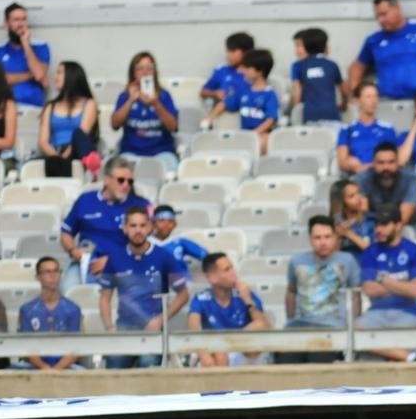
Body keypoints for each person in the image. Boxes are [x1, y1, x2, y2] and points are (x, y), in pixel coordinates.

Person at [98, 207, 189, 369]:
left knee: (148, 365)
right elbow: (105, 297)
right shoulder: (115, 257)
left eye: (142, 225)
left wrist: (160, 320)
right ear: (125, 229)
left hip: (153, 328)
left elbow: (183, 295)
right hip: (124, 328)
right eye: (133, 226)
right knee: (114, 365)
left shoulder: (163, 256)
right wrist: (110, 327)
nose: (138, 230)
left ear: (149, 228)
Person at [60, 156, 153, 288]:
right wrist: (73, 250)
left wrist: (113, 261)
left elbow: (150, 244)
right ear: (107, 179)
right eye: (121, 180)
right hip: (87, 262)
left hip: (127, 264)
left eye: (130, 181)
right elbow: (66, 232)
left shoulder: (140, 205)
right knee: (69, 289)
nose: (126, 185)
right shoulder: (85, 200)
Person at [358, 205, 416, 361]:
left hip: (407, 312)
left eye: (384, 224)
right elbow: (369, 289)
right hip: (376, 312)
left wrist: (383, 280)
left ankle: (403, 356)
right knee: (355, 332)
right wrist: (405, 285)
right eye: (377, 224)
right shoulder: (370, 252)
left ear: (399, 225)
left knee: (401, 336)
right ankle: (408, 357)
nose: (379, 229)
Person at [281, 215, 360, 364]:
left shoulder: (348, 260)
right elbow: (291, 291)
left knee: (318, 359)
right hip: (300, 326)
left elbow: (355, 295)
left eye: (327, 237)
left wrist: (352, 325)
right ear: (310, 239)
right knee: (285, 360)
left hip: (332, 329)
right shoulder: (296, 261)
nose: (323, 242)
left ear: (335, 238)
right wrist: (291, 319)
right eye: (317, 238)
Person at [188, 252, 267, 367]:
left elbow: (264, 326)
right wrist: (203, 354)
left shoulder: (245, 294)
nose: (233, 273)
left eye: (232, 268)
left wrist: (248, 301)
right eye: (227, 270)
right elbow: (194, 328)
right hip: (216, 354)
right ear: (212, 277)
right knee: (219, 355)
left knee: (258, 326)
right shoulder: (201, 299)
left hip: (244, 351)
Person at [112, 51, 179, 172]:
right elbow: (115, 124)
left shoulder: (164, 96)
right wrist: (130, 101)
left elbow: (173, 127)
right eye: (140, 69)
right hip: (131, 153)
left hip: (162, 153)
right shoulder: (125, 96)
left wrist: (156, 104)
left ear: (154, 73)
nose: (145, 72)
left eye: (149, 68)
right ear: (133, 73)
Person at [17, 256, 83, 371]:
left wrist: (56, 369)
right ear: (38, 277)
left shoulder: (72, 309)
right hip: (35, 366)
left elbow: (75, 348)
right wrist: (44, 367)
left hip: (66, 367)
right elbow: (26, 347)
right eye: (47, 272)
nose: (53, 275)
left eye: (56, 271)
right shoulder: (27, 310)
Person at [208, 49, 277, 155]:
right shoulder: (243, 91)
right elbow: (225, 103)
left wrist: (254, 134)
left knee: (264, 142)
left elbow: (270, 120)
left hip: (261, 134)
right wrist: (210, 118)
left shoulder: (269, 94)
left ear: (259, 71)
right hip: (243, 134)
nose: (241, 71)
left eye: (246, 68)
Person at [37, 61, 99, 175]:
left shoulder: (89, 104)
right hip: (54, 152)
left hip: (77, 151)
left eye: (59, 73)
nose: (55, 77)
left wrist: (65, 157)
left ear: (72, 76)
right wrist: (57, 158)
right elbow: (43, 142)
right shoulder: (50, 106)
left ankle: (91, 162)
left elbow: (83, 134)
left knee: (77, 134)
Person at [0, 2, 48, 107]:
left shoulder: (41, 46)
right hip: (4, 107)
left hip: (34, 108)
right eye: (16, 20)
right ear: (6, 24)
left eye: (24, 19)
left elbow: (39, 75)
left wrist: (26, 43)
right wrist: (30, 74)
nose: (21, 24)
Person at [356, 141, 416, 232]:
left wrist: (386, 233)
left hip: (409, 226)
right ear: (373, 164)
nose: (386, 167)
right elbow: (362, 213)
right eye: (381, 163)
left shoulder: (410, 179)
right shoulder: (363, 179)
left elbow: (405, 216)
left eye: (391, 162)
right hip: (375, 227)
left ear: (398, 163)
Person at [336, 82, 397, 175]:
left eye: (375, 96)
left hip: (381, 174)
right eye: (368, 97)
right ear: (357, 100)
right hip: (356, 177)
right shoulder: (347, 129)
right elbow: (342, 162)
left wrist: (365, 167)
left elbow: (394, 158)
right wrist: (351, 164)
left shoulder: (387, 128)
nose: (373, 101)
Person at [291, 27, 344, 125]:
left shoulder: (299, 66)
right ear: (325, 46)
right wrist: (344, 105)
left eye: (300, 46)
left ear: (306, 46)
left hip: (310, 115)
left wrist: (295, 113)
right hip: (332, 114)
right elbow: (344, 89)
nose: (297, 51)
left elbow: (296, 94)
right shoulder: (332, 64)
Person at [200, 31, 252, 105]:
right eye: (228, 51)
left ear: (246, 52)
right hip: (221, 113)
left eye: (233, 51)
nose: (228, 55)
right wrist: (215, 93)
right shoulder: (222, 71)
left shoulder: (254, 72)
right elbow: (203, 92)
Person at [330, 179, 373, 258]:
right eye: (351, 196)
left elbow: (372, 252)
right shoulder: (333, 223)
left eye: (359, 193)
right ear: (341, 202)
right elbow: (331, 257)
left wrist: (348, 233)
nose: (358, 198)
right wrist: (337, 236)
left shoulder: (370, 220)